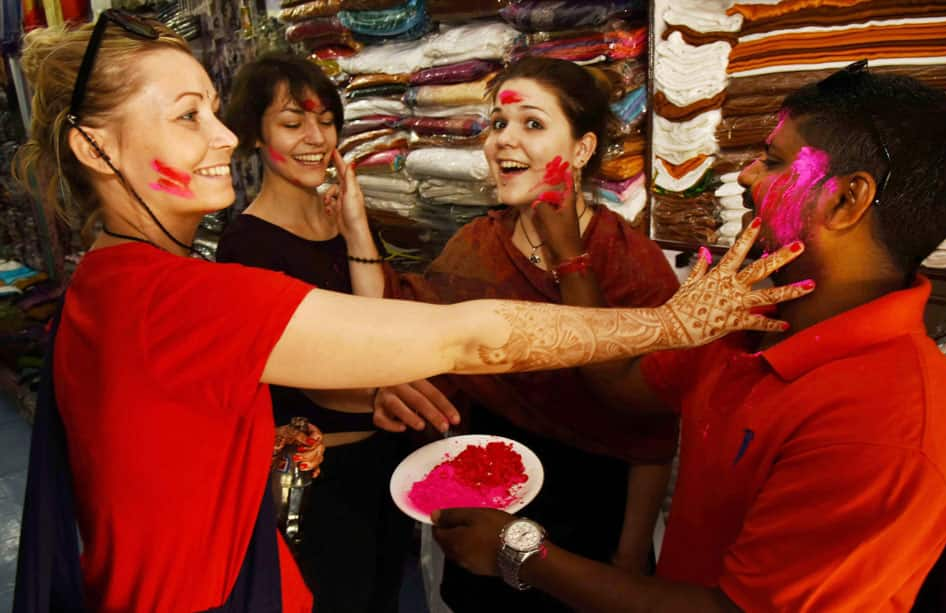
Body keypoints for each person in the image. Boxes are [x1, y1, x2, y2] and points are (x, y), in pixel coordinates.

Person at [11, 12, 809, 612]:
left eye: (216, 110)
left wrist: (267, 432)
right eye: (189, 116)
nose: (225, 136)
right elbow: (472, 337)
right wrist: (673, 324)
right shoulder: (174, 295)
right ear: (93, 147)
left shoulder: (111, 280)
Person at [431, 60, 946, 612]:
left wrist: (518, 552)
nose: (744, 176)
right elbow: (622, 383)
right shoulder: (743, 322)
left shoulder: (888, 429)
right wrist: (573, 259)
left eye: (773, 160)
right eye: (497, 123)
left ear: (844, 200)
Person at [373, 56, 683, 612]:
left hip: (594, 529)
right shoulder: (474, 247)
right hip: (488, 509)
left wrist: (630, 555)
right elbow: (422, 352)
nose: (502, 142)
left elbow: (653, 433)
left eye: (532, 124)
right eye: (498, 124)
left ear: (583, 150)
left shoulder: (633, 265)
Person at [215, 54, 410, 613]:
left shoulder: (337, 220)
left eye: (325, 121)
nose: (315, 137)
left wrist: (354, 224)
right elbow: (321, 378)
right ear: (255, 133)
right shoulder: (246, 247)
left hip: (385, 458)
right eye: (292, 122)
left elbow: (380, 331)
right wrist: (390, 386)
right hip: (320, 478)